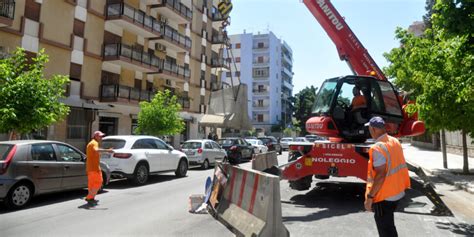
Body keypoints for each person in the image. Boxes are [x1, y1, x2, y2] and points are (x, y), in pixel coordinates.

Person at [364, 117, 410, 237]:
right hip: (397, 191)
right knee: (389, 226)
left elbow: (380, 175)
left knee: (385, 230)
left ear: (373, 129)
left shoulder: (378, 148)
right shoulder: (394, 141)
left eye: (369, 128)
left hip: (384, 196)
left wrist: (370, 198)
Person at [85, 131, 113, 205]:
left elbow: (96, 152)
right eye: (100, 136)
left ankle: (91, 198)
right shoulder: (94, 143)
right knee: (99, 182)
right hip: (94, 168)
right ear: (96, 136)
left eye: (101, 136)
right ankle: (89, 197)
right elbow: (96, 150)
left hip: (90, 168)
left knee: (92, 184)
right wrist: (108, 150)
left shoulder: (91, 143)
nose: (101, 138)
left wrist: (106, 152)